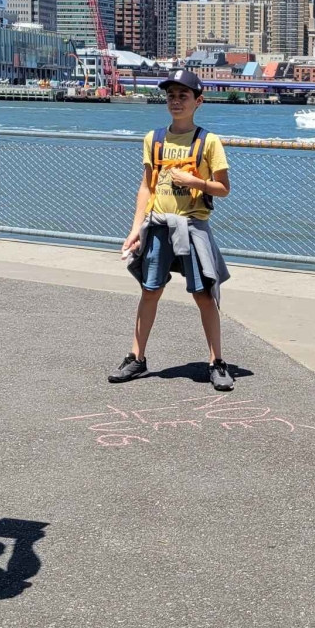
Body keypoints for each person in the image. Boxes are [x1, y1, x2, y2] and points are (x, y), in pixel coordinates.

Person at [109, 69, 235, 390]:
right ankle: (136, 358)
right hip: (159, 226)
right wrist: (136, 228)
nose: (176, 102)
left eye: (183, 96)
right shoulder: (154, 139)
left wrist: (195, 181)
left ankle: (216, 362)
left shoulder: (209, 142)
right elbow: (146, 188)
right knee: (150, 290)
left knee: (204, 294)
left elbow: (222, 188)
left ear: (198, 101)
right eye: (171, 96)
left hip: (193, 226)